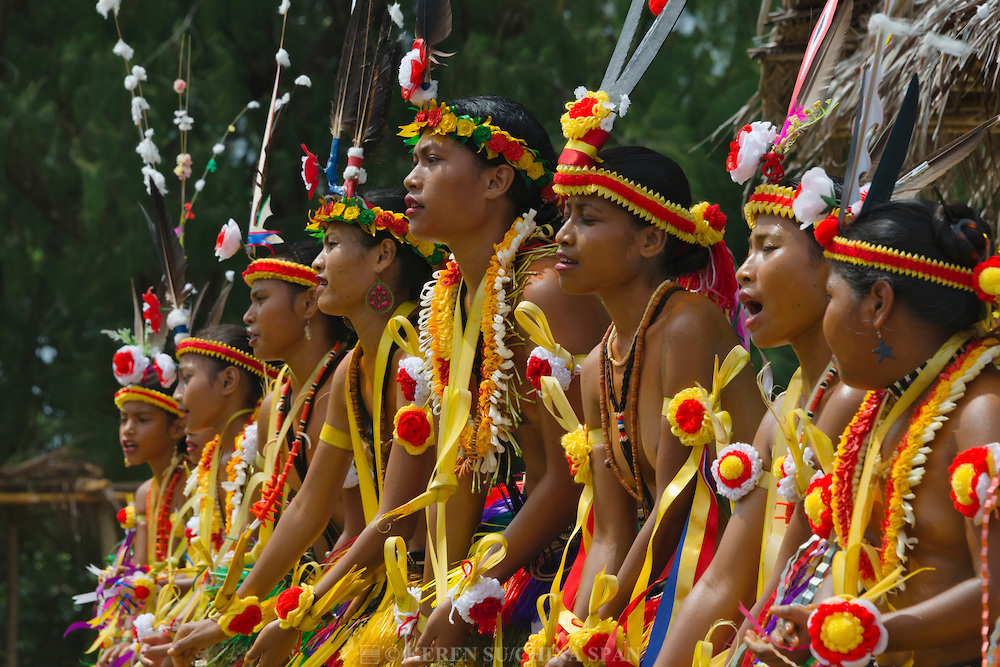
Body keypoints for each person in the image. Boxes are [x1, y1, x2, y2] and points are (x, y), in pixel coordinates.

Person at [167, 190, 439, 667]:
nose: (317, 263)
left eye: (331, 244)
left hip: (423, 588)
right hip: (370, 583)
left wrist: (301, 613)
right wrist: (234, 613)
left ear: (383, 255)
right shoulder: (353, 368)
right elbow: (308, 507)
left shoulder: (413, 358)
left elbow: (393, 517)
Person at [397, 94, 609, 664]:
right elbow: (464, 464)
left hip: (588, 562)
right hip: (521, 549)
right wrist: (437, 591)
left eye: (433, 160)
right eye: (415, 161)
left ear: (496, 181)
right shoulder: (452, 295)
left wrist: (466, 597)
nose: (411, 179)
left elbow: (572, 478)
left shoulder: (543, 289)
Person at [744, 199, 1000, 667]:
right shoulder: (881, 403)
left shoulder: (981, 412)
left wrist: (869, 631)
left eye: (829, 298)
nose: (824, 320)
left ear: (878, 303)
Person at [537, 141, 761, 667]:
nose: (563, 235)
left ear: (651, 239)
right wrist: (572, 633)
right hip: (669, 575)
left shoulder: (688, 323)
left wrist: (599, 629)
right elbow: (611, 533)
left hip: (737, 575)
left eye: (587, 219)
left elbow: (675, 502)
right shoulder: (595, 365)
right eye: (566, 216)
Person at [651, 176, 864, 667]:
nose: (744, 271)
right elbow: (723, 580)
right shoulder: (781, 415)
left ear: (834, 267)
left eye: (768, 248)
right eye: (748, 251)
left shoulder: (854, 400)